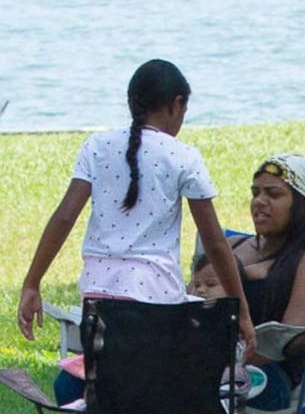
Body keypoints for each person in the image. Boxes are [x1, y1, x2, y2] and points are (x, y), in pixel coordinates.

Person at [14, 57, 256, 357]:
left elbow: (64, 217)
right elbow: (215, 242)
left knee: (105, 386)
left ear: (131, 104)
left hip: (98, 292)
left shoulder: (97, 147)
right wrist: (241, 309)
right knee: (152, 385)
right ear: (176, 105)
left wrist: (32, 282)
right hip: (155, 295)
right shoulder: (184, 156)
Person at [221, 150, 305, 414]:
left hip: (266, 380)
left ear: (303, 204)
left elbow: (288, 341)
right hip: (208, 365)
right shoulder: (234, 246)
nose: (259, 202)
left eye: (273, 194)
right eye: (256, 193)